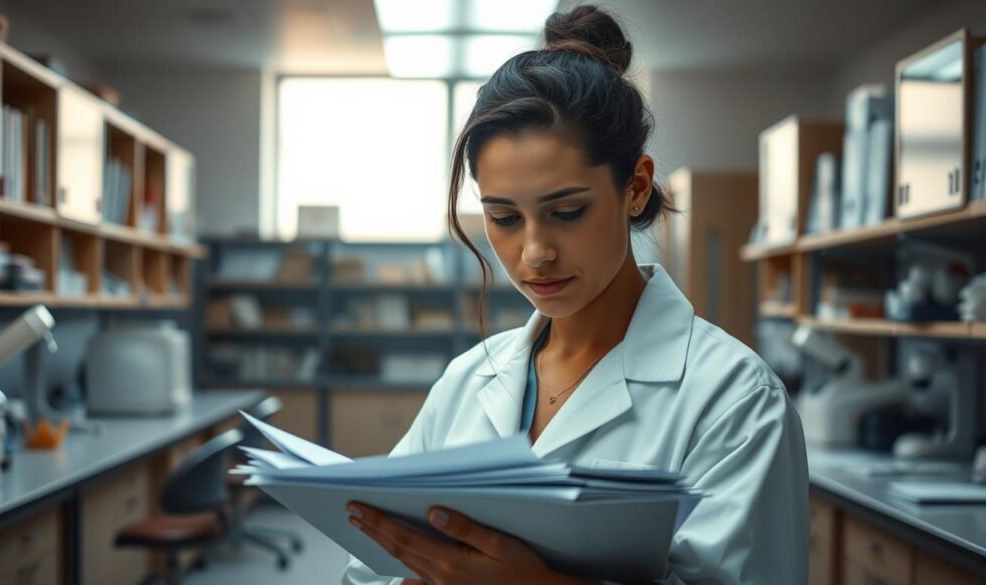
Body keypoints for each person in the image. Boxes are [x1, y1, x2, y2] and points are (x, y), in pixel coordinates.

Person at [343, 5, 808, 584]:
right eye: (505, 218)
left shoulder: (735, 399)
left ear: (635, 187)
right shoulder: (468, 382)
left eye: (567, 211)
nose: (535, 252)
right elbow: (364, 570)